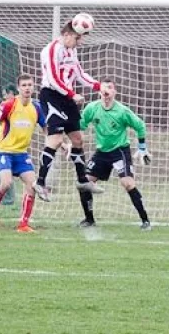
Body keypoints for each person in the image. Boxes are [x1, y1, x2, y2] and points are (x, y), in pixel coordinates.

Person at [35, 14, 103, 201]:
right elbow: (54, 79)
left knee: (78, 139)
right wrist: (72, 94)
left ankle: (82, 179)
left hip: (67, 97)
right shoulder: (50, 50)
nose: (79, 43)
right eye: (77, 38)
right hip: (52, 96)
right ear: (67, 34)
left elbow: (79, 73)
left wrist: (98, 86)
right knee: (56, 140)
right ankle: (40, 182)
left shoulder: (71, 51)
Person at [78, 80, 152, 229]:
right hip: (102, 153)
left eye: (110, 88)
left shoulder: (122, 111)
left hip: (119, 151)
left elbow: (140, 126)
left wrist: (142, 147)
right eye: (104, 88)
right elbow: (80, 125)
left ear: (115, 92)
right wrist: (73, 145)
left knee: (128, 183)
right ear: (99, 91)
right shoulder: (92, 108)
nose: (106, 92)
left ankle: (145, 221)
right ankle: (89, 220)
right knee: (84, 184)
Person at [0, 74, 46, 233]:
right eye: (24, 85)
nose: (27, 88)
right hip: (4, 152)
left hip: (21, 154)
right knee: (6, 183)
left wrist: (61, 143)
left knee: (32, 186)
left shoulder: (36, 107)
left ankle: (23, 224)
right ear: (18, 88)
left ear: (33, 87)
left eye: (30, 85)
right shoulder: (9, 105)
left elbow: (46, 130)